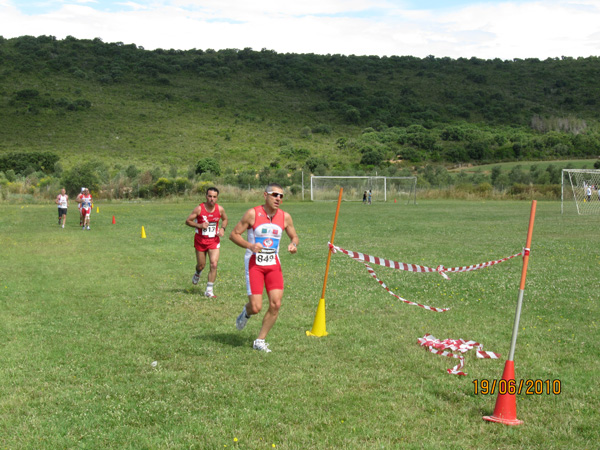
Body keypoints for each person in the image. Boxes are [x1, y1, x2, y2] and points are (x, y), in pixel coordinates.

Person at [229, 183, 299, 352]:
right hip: (255, 265)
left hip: (274, 265)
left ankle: (260, 340)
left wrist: (293, 244)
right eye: (275, 195)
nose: (278, 198)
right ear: (265, 195)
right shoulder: (253, 213)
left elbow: (294, 235)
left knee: (275, 304)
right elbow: (233, 234)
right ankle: (246, 312)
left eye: (281, 196)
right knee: (256, 307)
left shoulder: (285, 217)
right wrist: (250, 245)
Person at [185, 187, 228, 298]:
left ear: (217, 198)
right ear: (206, 196)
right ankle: (197, 273)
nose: (211, 199)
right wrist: (199, 225)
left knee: (214, 264)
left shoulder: (220, 209)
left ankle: (209, 290)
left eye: (214, 197)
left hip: (213, 240)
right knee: (201, 265)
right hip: (200, 240)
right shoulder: (199, 209)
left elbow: (225, 219)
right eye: (209, 196)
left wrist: (223, 229)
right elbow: (188, 221)